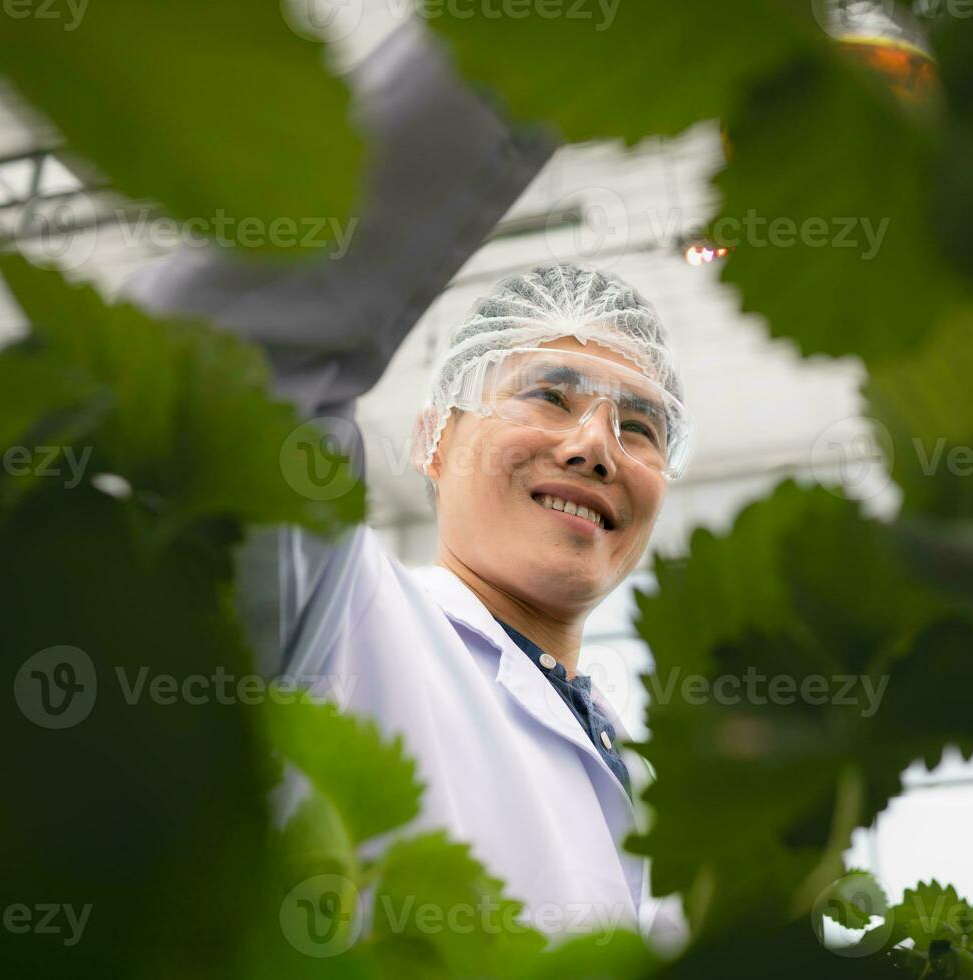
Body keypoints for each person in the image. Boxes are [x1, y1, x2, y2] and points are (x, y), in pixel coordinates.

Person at [281, 265, 691, 944]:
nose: (595, 446)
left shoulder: (644, 776)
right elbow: (265, 379)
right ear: (433, 439)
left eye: (639, 426)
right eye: (550, 395)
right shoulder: (340, 613)